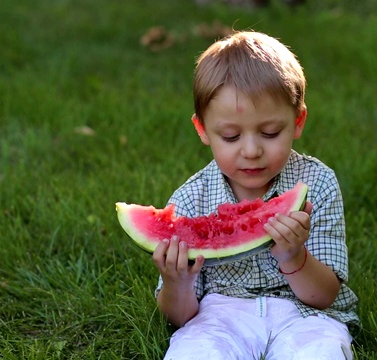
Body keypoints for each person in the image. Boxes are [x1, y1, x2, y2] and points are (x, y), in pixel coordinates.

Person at [152, 31, 359, 359]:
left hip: (305, 316)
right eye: (231, 136)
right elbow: (179, 318)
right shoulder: (190, 200)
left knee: (325, 350)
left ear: (299, 121)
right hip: (219, 315)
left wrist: (294, 256)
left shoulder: (317, 184)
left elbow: (325, 296)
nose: (251, 150)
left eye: (270, 133)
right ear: (203, 130)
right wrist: (176, 282)